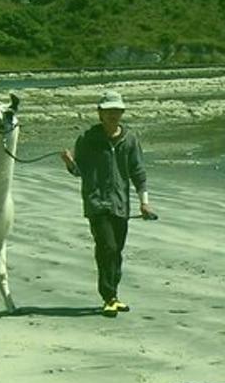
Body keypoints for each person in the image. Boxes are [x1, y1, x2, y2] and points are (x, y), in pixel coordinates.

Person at [60, 90, 156, 318]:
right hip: (96, 203)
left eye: (117, 110)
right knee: (107, 247)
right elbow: (79, 171)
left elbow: (138, 173)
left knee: (117, 251)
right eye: (109, 110)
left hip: (121, 205)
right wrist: (69, 163)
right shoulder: (87, 139)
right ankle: (108, 296)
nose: (114, 114)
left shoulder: (130, 139)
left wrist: (145, 203)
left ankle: (114, 295)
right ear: (100, 113)